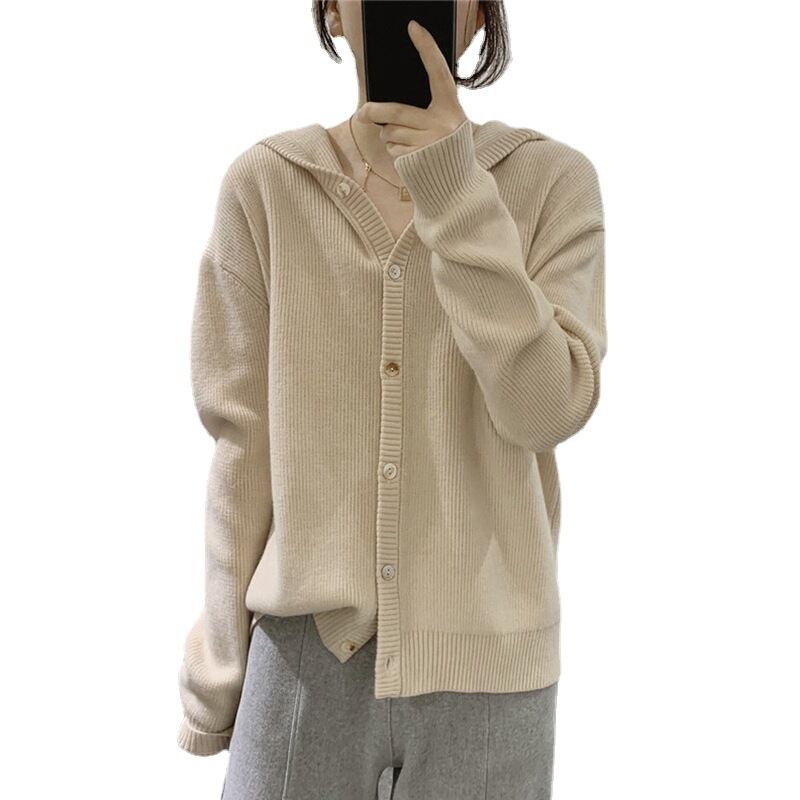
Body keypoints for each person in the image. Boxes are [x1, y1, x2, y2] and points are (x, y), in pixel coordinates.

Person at [176, 1, 607, 798]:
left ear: (476, 16)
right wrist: (220, 673)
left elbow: (546, 409)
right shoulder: (267, 186)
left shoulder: (551, 182)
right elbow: (241, 447)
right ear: (334, 13)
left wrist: (454, 188)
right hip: (303, 664)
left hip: (492, 679)